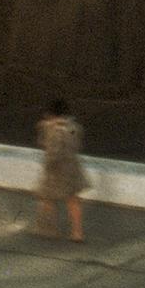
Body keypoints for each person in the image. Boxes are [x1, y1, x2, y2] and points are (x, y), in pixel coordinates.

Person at [33, 99, 89, 243]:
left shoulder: (52, 129)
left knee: (47, 197)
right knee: (73, 199)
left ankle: (49, 229)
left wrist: (43, 130)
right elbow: (77, 143)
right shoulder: (74, 127)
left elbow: (50, 148)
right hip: (73, 166)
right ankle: (77, 233)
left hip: (56, 167)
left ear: (50, 113)